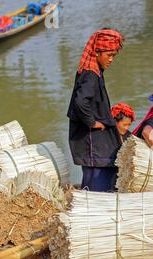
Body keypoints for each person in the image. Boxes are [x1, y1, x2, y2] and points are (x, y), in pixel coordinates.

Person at [66, 28, 124, 192]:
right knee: (97, 176)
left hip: (94, 141)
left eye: (114, 55)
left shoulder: (93, 72)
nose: (111, 59)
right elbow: (80, 101)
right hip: (92, 141)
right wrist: (92, 123)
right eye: (109, 55)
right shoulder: (91, 75)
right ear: (97, 52)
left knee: (95, 175)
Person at [108, 102, 136, 189]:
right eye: (124, 124)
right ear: (114, 121)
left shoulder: (129, 136)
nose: (127, 128)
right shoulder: (106, 135)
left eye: (129, 125)